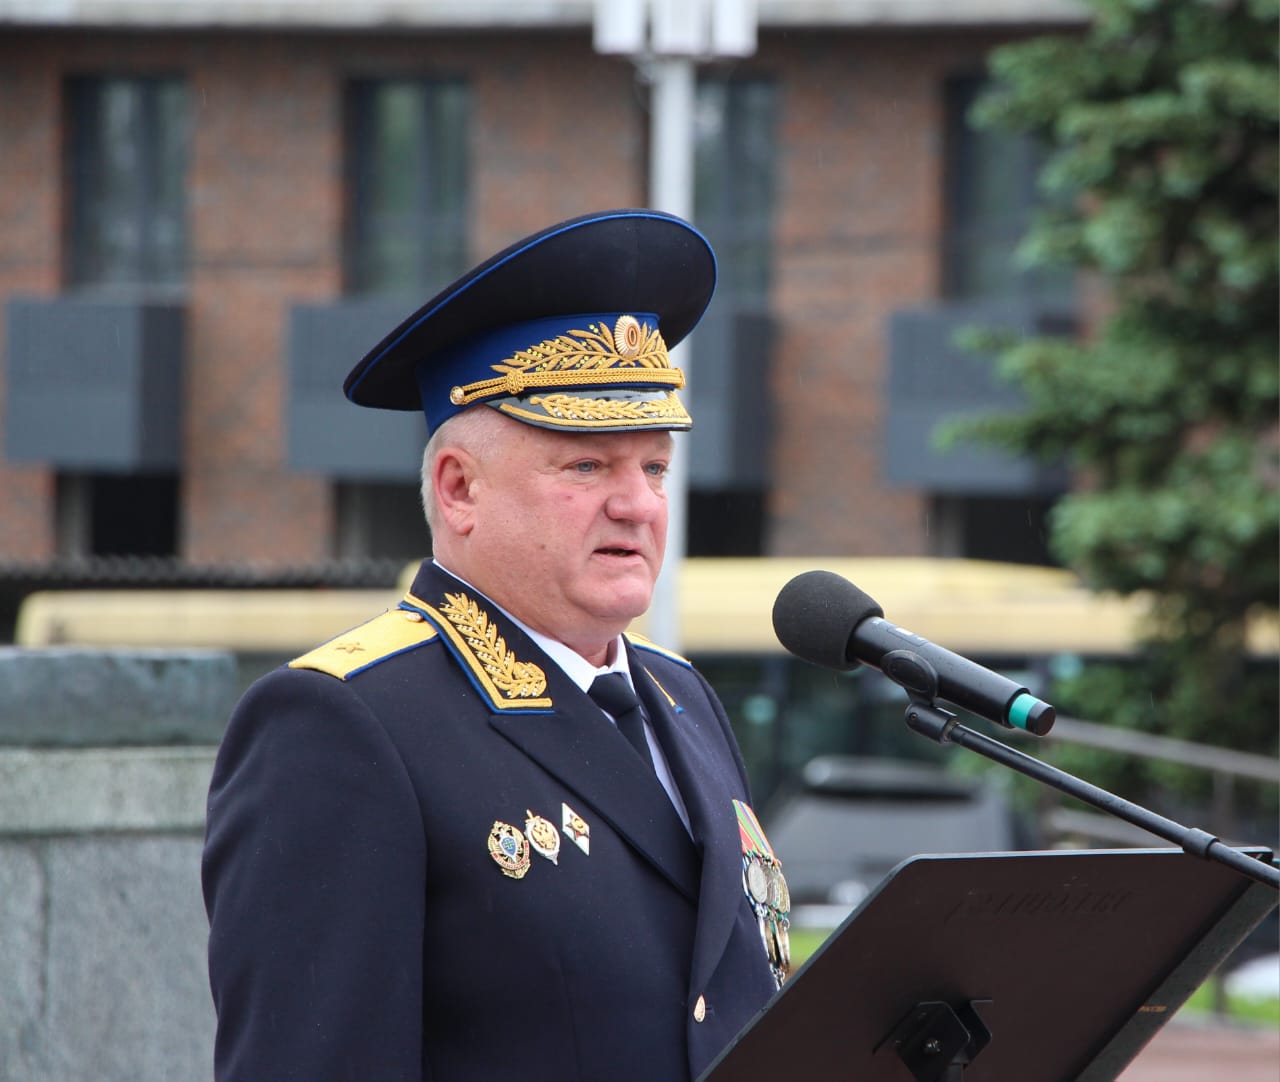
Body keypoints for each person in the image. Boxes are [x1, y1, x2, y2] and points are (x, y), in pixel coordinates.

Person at [202, 210, 790, 1082]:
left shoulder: (681, 697)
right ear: (460, 489)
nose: (638, 505)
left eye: (654, 468)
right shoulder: (347, 723)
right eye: (587, 466)